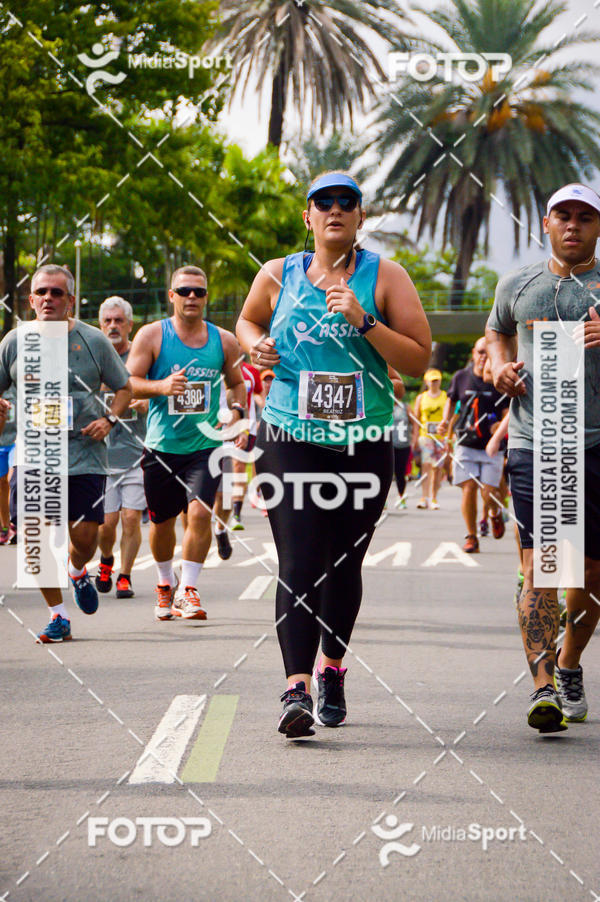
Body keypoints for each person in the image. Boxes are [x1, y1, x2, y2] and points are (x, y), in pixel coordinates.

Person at [236, 171, 431, 738]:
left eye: (348, 203)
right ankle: (295, 688)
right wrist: (257, 346)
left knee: (342, 564)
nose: (336, 211)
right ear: (309, 216)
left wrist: (365, 321)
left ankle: (333, 669)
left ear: (360, 217)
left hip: (362, 441)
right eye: (325, 203)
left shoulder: (386, 276)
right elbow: (248, 321)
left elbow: (418, 359)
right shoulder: (277, 274)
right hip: (289, 435)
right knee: (297, 559)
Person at [486, 182, 600, 733]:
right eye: (564, 215)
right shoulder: (519, 284)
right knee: (543, 566)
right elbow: (497, 332)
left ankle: (569, 663)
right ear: (546, 223)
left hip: (597, 443)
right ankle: (543, 688)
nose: (573, 225)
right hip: (536, 442)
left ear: (597, 227)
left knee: (590, 575)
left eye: (585, 217)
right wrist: (500, 367)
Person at [0, 264, 132, 642]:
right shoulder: (14, 341)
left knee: (85, 540)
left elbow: (124, 388)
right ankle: (58, 616)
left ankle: (77, 571)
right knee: (32, 536)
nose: (48, 299)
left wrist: (108, 419)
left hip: (84, 454)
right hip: (32, 456)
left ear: (70, 300)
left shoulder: (94, 341)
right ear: (30, 299)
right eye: (42, 292)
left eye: (57, 293)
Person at [127, 265, 247, 622]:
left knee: (200, 513)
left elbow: (237, 383)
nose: (192, 297)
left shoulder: (224, 340)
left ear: (206, 297)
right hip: (162, 446)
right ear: (172, 296)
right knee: (162, 524)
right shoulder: (152, 336)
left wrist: (237, 411)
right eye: (184, 291)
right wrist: (161, 387)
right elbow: (128, 382)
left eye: (199, 292)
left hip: (204, 445)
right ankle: (166, 583)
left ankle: (188, 588)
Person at [96, 297, 149, 598]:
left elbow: (159, 390)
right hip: (101, 456)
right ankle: (106, 560)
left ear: (130, 325)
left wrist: (145, 402)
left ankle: (125, 575)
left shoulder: (139, 358)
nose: (113, 326)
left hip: (135, 453)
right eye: (108, 321)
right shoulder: (93, 357)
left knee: (130, 518)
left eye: (119, 321)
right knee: (106, 523)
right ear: (101, 325)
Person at [440, 338, 508, 552]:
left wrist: (500, 428)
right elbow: (451, 401)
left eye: (488, 353)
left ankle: (495, 514)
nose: (483, 357)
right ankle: (471, 537)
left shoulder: (498, 380)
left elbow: (508, 412)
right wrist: (444, 421)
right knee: (468, 489)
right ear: (473, 353)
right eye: (480, 352)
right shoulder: (461, 377)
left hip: (491, 448)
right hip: (466, 443)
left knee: (489, 493)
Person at [229, 360, 263, 530]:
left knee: (238, 468)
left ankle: (236, 514)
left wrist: (262, 414)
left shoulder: (250, 371)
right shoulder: (216, 367)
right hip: (217, 427)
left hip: (245, 428)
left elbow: (258, 393)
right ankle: (214, 508)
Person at [411, 369, 447, 509]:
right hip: (425, 435)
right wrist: (414, 437)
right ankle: (424, 497)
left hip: (440, 437)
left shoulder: (445, 396)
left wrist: (449, 435)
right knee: (426, 466)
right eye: (432, 381)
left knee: (437, 468)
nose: (434, 383)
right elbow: (416, 419)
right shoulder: (421, 398)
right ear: (426, 382)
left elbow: (449, 417)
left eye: (436, 380)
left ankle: (434, 497)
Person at [0, 385, 16, 545]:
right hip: (0, 444)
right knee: (2, 485)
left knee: (13, 479)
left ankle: (16, 522)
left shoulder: (17, 388)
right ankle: (5, 527)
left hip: (16, 442)